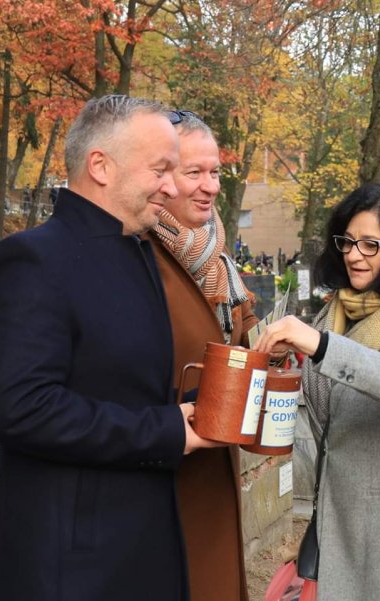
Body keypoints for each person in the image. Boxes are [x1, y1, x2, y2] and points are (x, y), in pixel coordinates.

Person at [0, 95, 220, 601]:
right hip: (70, 561)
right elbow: (19, 409)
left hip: (143, 543)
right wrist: (166, 428)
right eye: (161, 169)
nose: (172, 186)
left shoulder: (139, 253)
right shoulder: (32, 260)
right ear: (101, 166)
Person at [254, 182, 380, 601]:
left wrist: (323, 348)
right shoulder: (336, 312)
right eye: (348, 242)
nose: (353, 254)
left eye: (371, 244)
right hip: (338, 523)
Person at [148, 111, 257, 600]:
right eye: (194, 173)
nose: (210, 186)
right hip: (159, 475)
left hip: (216, 472)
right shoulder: (139, 254)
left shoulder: (220, 265)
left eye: (214, 173)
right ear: (160, 175)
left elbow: (245, 344)